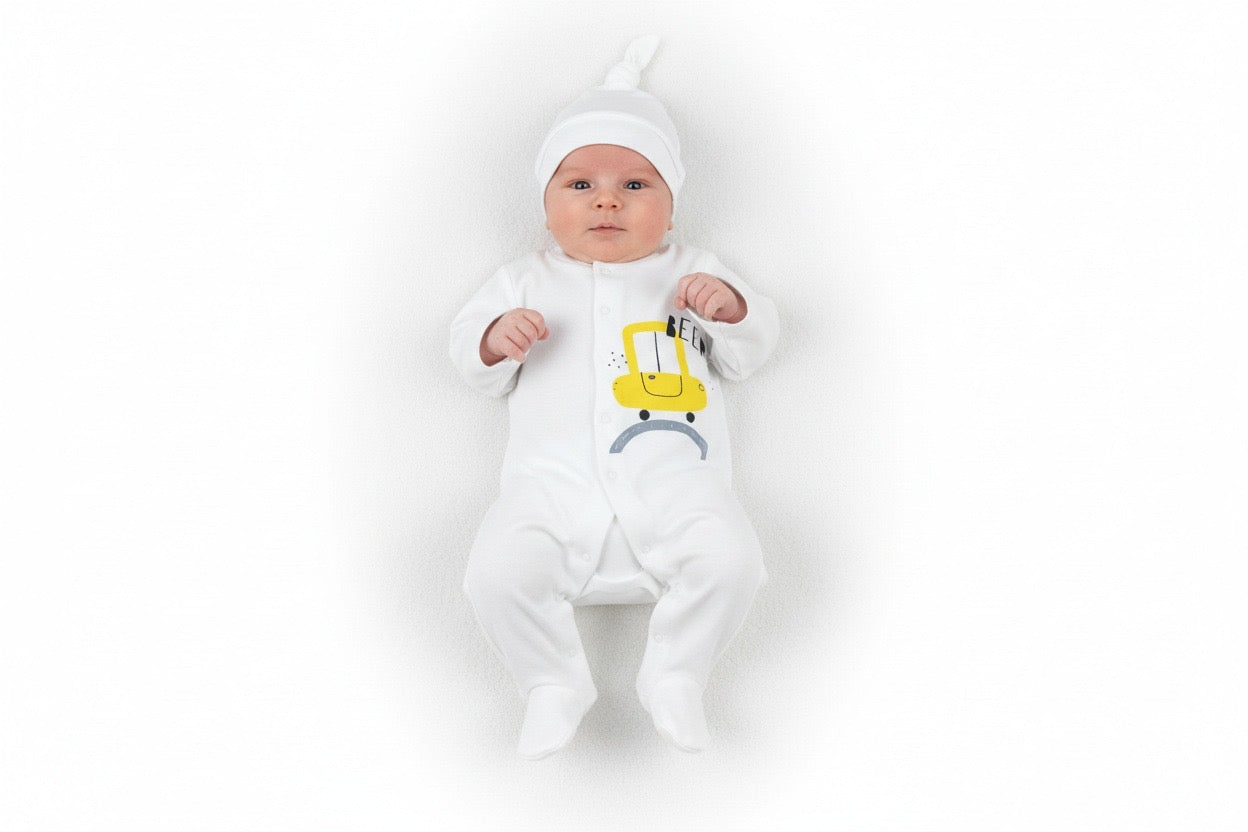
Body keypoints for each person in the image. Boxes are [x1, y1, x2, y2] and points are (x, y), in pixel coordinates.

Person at [449, 35, 779, 759]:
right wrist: (494, 339)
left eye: (635, 185)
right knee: (494, 574)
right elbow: (469, 359)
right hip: (549, 488)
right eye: (579, 186)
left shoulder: (694, 270)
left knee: (734, 562)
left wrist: (731, 309)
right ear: (545, 209)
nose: (606, 199)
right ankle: (551, 682)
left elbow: (751, 353)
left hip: (678, 483)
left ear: (672, 207)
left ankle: (678, 674)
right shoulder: (524, 280)